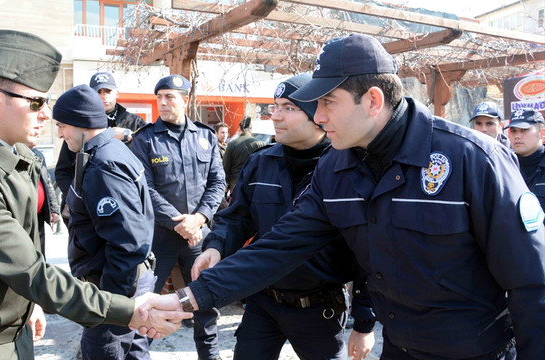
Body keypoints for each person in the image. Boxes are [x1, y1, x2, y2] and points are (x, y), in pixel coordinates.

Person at [150, 33, 545, 360]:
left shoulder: (473, 160)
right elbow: (279, 247)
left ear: (373, 100)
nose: (318, 116)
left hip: (477, 352)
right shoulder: (336, 168)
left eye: (327, 102)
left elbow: (533, 283)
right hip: (400, 347)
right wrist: (192, 297)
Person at [0, 29, 190, 360]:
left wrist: (29, 305)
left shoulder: (19, 157)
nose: (46, 114)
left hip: (10, 332)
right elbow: (29, 271)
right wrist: (128, 310)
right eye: (35, 102)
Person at [192, 73, 376, 360]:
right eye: (274, 106)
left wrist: (364, 323)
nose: (275, 116)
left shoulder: (346, 170)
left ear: (319, 115)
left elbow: (367, 252)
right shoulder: (261, 162)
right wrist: (216, 247)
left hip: (319, 307)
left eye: (288, 108)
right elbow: (237, 218)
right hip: (263, 300)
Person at [54, 84, 156, 360]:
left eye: (62, 125)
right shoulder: (108, 152)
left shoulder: (103, 164)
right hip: (124, 282)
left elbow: (127, 243)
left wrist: (110, 305)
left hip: (116, 286)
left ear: (81, 123)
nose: (60, 133)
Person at [130, 74, 227, 360]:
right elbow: (144, 188)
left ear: (184, 99)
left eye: (169, 96)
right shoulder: (145, 139)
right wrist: (180, 222)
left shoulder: (205, 136)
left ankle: (210, 356)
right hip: (160, 238)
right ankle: (136, 354)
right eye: (159, 96)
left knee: (205, 301)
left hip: (199, 237)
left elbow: (217, 183)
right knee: (145, 300)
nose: (162, 102)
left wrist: (199, 218)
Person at [54, 71, 146, 219]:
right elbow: (62, 171)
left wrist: (130, 135)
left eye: (108, 91)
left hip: (126, 202)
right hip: (85, 209)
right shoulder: (79, 126)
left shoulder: (134, 122)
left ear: (117, 93)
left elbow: (150, 149)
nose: (104, 96)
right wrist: (76, 197)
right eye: (98, 92)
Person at [506, 109, 545, 211]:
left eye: (524, 130)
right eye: (513, 130)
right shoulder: (505, 166)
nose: (517, 136)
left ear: (542, 133)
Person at [222, 116, 265, 189]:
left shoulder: (232, 144)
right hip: (255, 184)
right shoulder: (260, 144)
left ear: (240, 128)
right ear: (251, 130)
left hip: (236, 185)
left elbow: (225, 168)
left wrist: (226, 184)